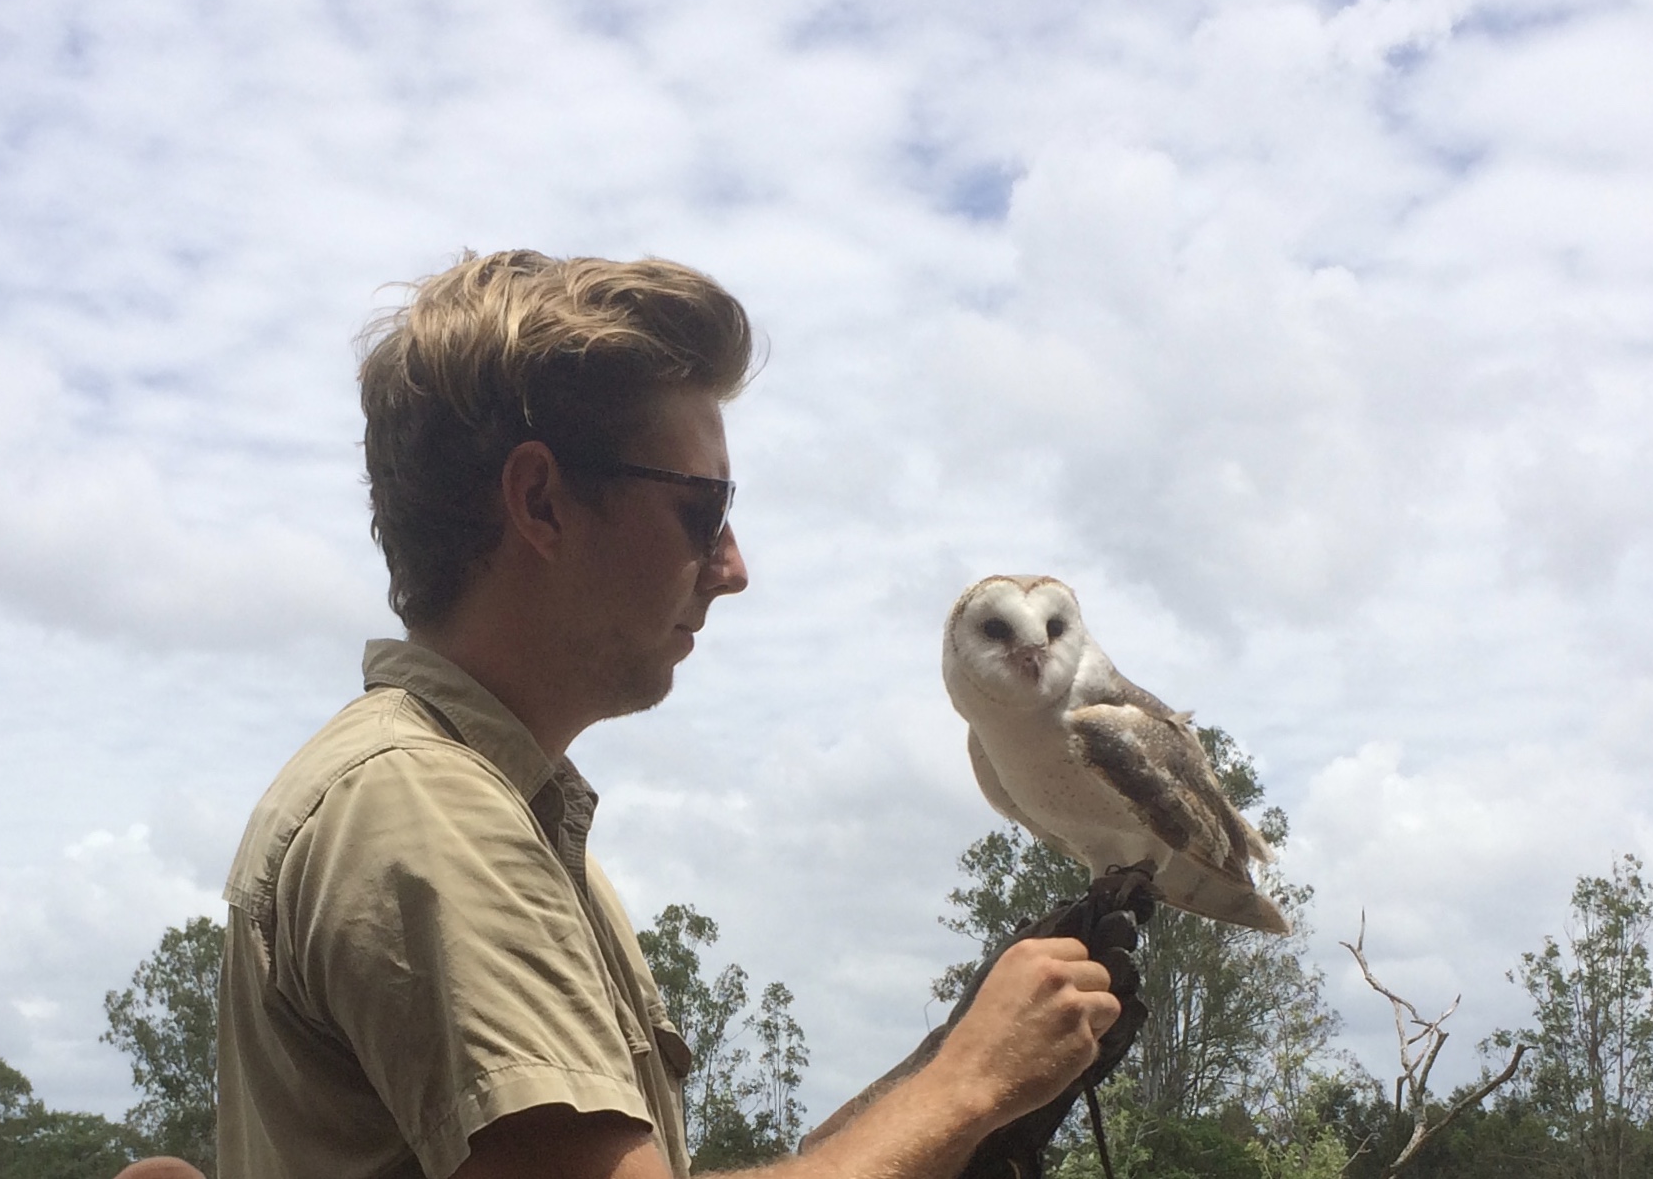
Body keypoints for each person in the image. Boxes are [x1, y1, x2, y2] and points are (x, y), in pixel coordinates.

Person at [217, 251, 1124, 1179]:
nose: (733, 569)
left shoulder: (482, 807)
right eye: (703, 508)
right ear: (540, 503)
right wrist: (970, 1086)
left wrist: (952, 1094)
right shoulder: (426, 811)